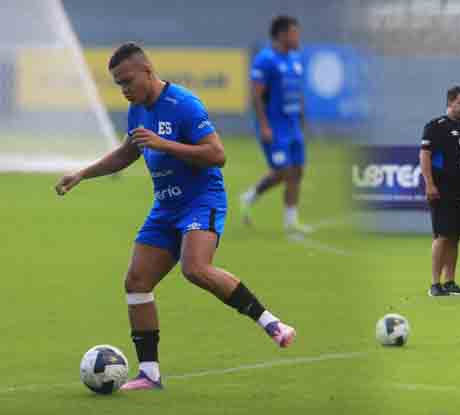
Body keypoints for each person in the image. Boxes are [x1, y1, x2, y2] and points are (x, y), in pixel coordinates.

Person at [54, 43, 296, 391]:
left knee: (195, 268)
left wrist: (164, 144)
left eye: (126, 81)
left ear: (147, 72)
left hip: (201, 200)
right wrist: (82, 174)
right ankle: (149, 374)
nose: (123, 90)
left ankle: (272, 324)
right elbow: (127, 153)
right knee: (136, 282)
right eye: (118, 84)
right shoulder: (138, 110)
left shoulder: (183, 104)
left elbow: (217, 154)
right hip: (165, 207)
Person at [239, 15, 313, 236]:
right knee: (282, 171)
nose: (298, 37)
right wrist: (264, 126)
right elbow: (257, 95)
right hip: (275, 127)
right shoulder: (265, 60)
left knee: (297, 171)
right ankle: (250, 196)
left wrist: (301, 121)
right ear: (282, 35)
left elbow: (296, 93)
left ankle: (291, 221)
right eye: (294, 33)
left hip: (292, 126)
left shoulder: (295, 59)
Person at [420, 86, 460, 296]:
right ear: (450, 103)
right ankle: (435, 284)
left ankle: (450, 282)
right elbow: (425, 155)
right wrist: (429, 183)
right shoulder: (436, 126)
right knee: (442, 235)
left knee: (455, 237)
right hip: (443, 189)